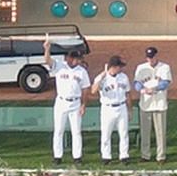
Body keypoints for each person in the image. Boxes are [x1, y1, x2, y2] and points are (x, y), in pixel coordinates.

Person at [45, 34, 92, 163]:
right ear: (69, 58)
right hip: (61, 101)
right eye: (75, 58)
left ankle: (77, 156)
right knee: (58, 130)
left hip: (75, 103)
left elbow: (85, 89)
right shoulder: (60, 66)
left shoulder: (81, 71)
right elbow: (48, 61)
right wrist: (47, 49)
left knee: (76, 131)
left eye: (78, 59)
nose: (77, 61)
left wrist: (83, 105)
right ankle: (57, 156)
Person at [134, 46, 172, 162]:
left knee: (160, 132)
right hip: (145, 104)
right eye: (148, 57)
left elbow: (166, 83)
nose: (150, 59)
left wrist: (154, 89)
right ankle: (145, 155)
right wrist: (143, 89)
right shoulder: (141, 68)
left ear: (156, 56)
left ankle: (161, 156)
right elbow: (136, 83)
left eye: (152, 57)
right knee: (145, 132)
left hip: (160, 103)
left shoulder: (164, 67)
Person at [94, 55, 132, 163]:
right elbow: (93, 90)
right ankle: (106, 156)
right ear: (114, 66)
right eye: (119, 66)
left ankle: (124, 155)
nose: (121, 69)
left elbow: (128, 93)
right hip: (107, 108)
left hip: (121, 107)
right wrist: (102, 76)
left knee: (124, 133)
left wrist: (129, 110)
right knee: (106, 133)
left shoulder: (123, 77)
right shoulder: (102, 78)